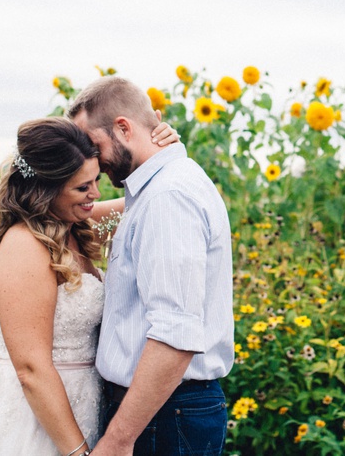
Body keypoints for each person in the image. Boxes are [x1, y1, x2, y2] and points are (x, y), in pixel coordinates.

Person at [0, 116, 176, 456]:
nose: (95, 194)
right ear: (45, 189)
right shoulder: (23, 246)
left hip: (84, 407)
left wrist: (164, 151)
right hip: (35, 421)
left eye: (95, 180)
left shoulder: (74, 225)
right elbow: (31, 369)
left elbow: (149, 202)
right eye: (82, 187)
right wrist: (77, 452)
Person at [67, 76, 234, 456]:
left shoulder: (168, 197)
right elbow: (80, 215)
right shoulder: (156, 189)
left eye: (93, 147)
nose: (89, 162)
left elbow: (176, 333)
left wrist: (118, 441)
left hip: (164, 414)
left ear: (123, 128)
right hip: (161, 409)